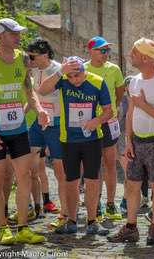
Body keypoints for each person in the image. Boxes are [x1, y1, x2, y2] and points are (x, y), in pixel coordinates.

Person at [0, 18, 49, 244]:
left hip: (18, 128)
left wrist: (39, 109)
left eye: (19, 33)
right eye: (13, 33)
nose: (18, 36)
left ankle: (22, 227)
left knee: (25, 175)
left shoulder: (22, 59)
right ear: (0, 36)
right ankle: (2, 229)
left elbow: (29, 91)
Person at [108, 38, 154, 245]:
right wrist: (128, 140)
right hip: (137, 142)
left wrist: (143, 104)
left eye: (134, 53)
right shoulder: (135, 80)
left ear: (145, 58)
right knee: (132, 186)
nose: (130, 55)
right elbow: (130, 113)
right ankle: (131, 227)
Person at [39, 56, 112, 236]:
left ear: (84, 71)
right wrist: (60, 72)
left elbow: (109, 110)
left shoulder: (97, 82)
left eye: (77, 76)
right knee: (70, 182)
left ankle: (92, 221)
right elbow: (41, 90)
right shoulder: (62, 80)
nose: (74, 80)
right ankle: (72, 220)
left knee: (92, 181)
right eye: (70, 76)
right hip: (68, 140)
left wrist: (97, 120)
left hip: (92, 139)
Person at [26, 38, 67, 227]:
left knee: (60, 171)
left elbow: (42, 90)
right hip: (38, 123)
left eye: (32, 56)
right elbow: (34, 95)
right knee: (29, 166)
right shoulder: (33, 69)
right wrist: (24, 112)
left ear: (44, 54)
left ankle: (65, 213)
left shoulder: (59, 69)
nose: (29, 59)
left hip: (57, 124)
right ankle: (34, 207)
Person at [84, 36, 125, 221]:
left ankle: (110, 203)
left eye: (107, 50)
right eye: (102, 50)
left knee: (110, 162)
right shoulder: (82, 69)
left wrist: (110, 112)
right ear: (91, 51)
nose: (106, 53)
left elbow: (119, 93)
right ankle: (96, 204)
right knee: (93, 165)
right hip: (90, 122)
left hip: (109, 122)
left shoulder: (114, 69)